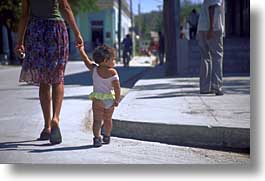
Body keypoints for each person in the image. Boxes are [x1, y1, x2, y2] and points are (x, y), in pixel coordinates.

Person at [16, 0, 83, 144]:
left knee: (44, 79)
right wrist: (77, 33)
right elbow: (65, 7)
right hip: (56, 30)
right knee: (58, 77)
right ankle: (55, 118)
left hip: (36, 32)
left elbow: (24, 16)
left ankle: (46, 127)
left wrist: (20, 41)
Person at [78, 44, 121, 147]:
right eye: (113, 59)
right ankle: (107, 136)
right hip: (109, 99)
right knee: (108, 120)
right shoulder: (112, 72)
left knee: (97, 120)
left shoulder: (94, 69)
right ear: (106, 60)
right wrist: (117, 100)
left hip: (97, 99)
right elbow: (117, 88)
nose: (114, 61)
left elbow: (86, 60)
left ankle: (97, 138)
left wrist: (81, 50)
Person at [197, 0, 225, 96]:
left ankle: (204, 87)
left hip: (202, 28)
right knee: (217, 57)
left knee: (205, 57)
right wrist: (211, 29)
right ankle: (217, 87)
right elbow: (212, 8)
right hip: (213, 28)